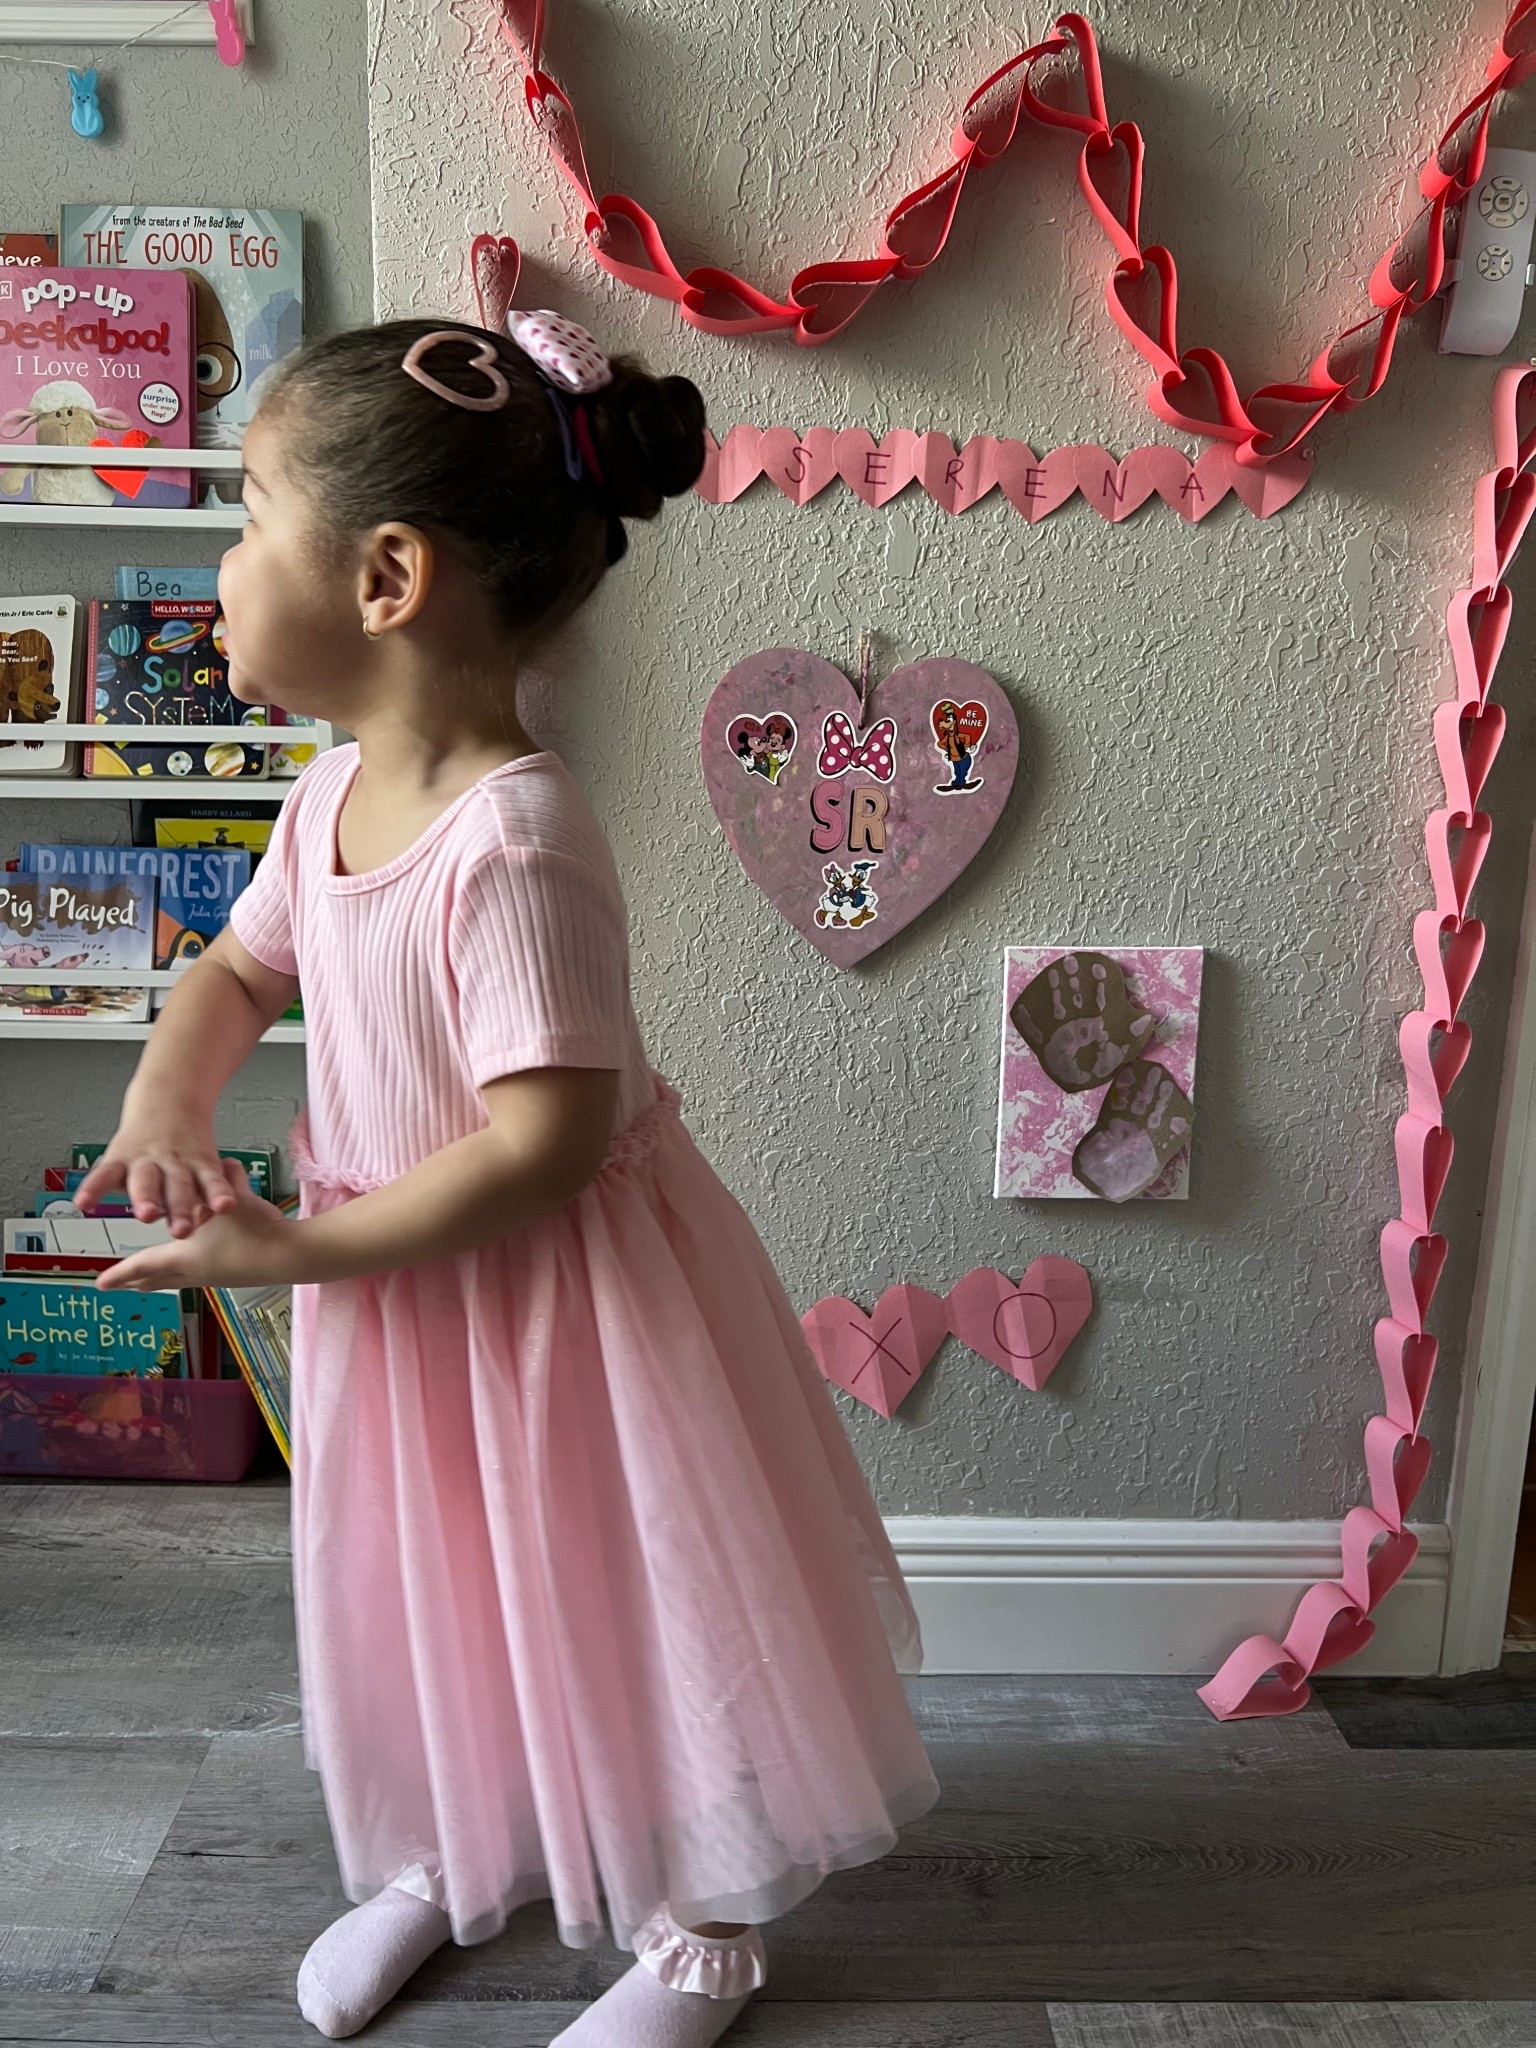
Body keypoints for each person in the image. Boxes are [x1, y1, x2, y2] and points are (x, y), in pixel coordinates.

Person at [80, 313, 939, 2048]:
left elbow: (546, 1144)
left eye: (248, 518)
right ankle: (454, 1845)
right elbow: (238, 976)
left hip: (561, 1303)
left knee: (626, 1583)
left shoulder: (518, 840)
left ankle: (703, 1929)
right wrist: (171, 1102)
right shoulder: (324, 800)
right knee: (431, 1577)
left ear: (388, 577)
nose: (222, 566)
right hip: (399, 1295)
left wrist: (296, 1246)